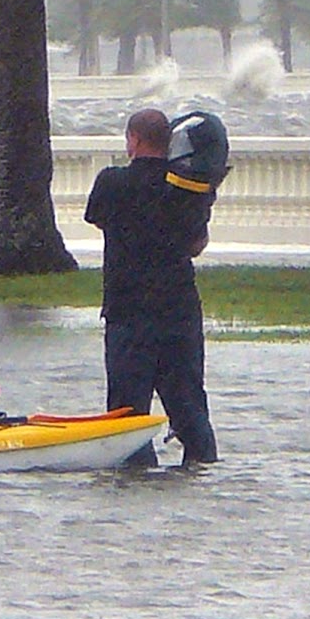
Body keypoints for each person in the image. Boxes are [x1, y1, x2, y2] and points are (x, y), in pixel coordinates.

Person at [85, 108, 219, 467]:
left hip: (128, 312)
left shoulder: (110, 182)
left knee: (128, 417)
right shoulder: (186, 190)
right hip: (179, 311)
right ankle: (201, 470)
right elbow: (196, 244)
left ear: (134, 140)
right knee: (190, 407)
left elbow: (98, 218)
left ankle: (138, 479)